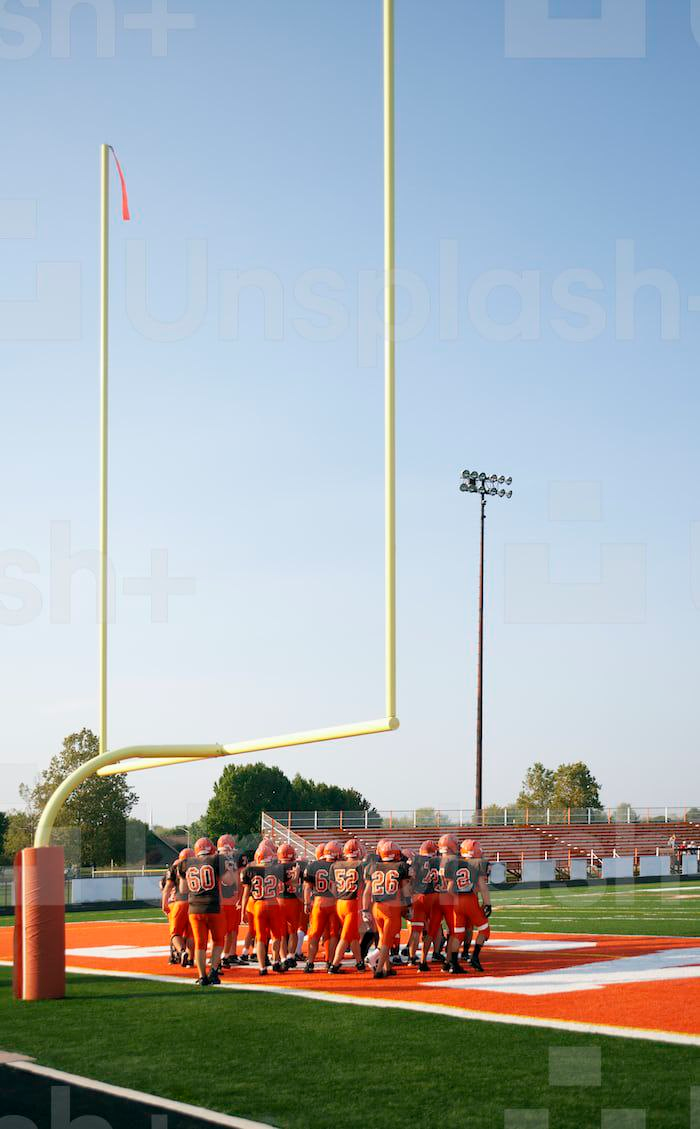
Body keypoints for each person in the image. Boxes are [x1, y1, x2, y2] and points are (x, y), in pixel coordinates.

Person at [178, 837, 235, 986]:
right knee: (218, 941)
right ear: (211, 848)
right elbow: (228, 881)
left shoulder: (186, 863)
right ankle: (214, 972)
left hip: (194, 908)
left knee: (200, 943)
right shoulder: (217, 859)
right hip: (213, 906)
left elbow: (183, 889)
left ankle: (202, 976)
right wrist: (230, 868)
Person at [440, 838, 492, 974]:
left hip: (457, 901)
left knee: (458, 934)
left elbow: (450, 889)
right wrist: (487, 903)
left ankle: (454, 964)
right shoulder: (478, 864)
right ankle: (475, 957)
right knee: (484, 930)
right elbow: (482, 886)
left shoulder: (453, 863)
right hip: (470, 900)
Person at [364, 839, 410, 980]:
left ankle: (387, 967)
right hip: (392, 907)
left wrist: (365, 910)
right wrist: (409, 906)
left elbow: (367, 892)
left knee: (383, 938)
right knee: (387, 941)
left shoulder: (373, 866)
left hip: (376, 907)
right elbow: (405, 890)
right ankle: (378, 969)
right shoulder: (401, 866)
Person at [240, 841, 287, 975]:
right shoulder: (277, 869)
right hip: (273, 903)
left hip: (258, 905)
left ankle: (262, 967)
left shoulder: (250, 870)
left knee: (260, 937)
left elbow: (246, 893)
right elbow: (284, 886)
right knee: (277, 936)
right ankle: (276, 961)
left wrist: (243, 910)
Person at [328, 838, 366, 973]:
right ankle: (334, 965)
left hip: (340, 903)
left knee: (352, 935)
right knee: (345, 937)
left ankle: (359, 962)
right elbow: (364, 886)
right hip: (352, 904)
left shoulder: (335, 865)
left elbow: (332, 888)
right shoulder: (360, 865)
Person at [303, 840, 341, 972]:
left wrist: (307, 902)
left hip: (318, 901)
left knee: (314, 933)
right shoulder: (339, 866)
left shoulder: (313, 865)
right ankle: (330, 962)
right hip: (334, 902)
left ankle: (310, 963)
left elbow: (307, 887)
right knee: (333, 934)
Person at [408, 839, 440, 971]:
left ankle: (411, 958)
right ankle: (431, 956)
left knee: (416, 929)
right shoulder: (439, 861)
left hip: (418, 895)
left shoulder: (415, 860)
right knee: (434, 930)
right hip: (434, 896)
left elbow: (410, 878)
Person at [161, 847, 195, 967]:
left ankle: (181, 952)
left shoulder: (175, 868)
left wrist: (164, 903)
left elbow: (167, 888)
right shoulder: (198, 867)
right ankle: (191, 960)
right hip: (194, 903)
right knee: (191, 935)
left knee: (175, 933)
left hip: (178, 902)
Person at [217, 834, 243, 968]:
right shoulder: (218, 861)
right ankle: (221, 956)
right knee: (224, 932)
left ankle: (227, 955)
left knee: (231, 930)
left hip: (230, 901)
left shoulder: (228, 860)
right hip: (223, 901)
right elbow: (230, 881)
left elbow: (237, 880)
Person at [276, 843, 303, 969]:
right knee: (293, 931)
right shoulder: (298, 866)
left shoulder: (275, 867)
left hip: (280, 900)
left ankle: (282, 958)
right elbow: (301, 885)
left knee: (281, 932)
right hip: (293, 901)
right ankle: (291, 956)